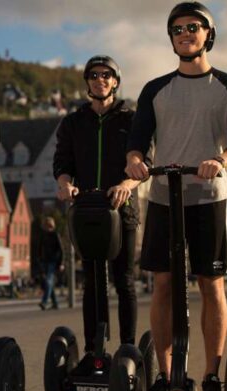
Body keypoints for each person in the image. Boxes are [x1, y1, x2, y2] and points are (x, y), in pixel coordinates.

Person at [125, 2, 227, 391]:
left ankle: (212, 377)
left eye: (193, 27)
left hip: (209, 196)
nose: (185, 33)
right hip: (164, 195)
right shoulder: (155, 89)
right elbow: (137, 143)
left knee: (210, 284)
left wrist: (221, 160)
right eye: (177, 28)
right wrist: (135, 161)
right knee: (162, 283)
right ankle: (165, 378)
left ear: (208, 34)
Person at [53, 55, 140, 374]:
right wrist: (66, 185)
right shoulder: (74, 122)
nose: (99, 79)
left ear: (116, 81)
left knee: (124, 280)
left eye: (106, 75)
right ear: (87, 81)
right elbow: (62, 163)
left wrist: (125, 185)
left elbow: (144, 163)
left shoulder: (131, 119)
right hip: (89, 211)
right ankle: (94, 351)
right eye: (93, 74)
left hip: (122, 210)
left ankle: (128, 348)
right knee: (92, 282)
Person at [37, 216, 63, 310]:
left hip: (53, 262)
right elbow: (39, 248)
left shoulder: (56, 235)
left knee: (48, 281)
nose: (48, 228)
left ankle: (44, 302)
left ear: (53, 226)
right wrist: (39, 259)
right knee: (48, 283)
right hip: (44, 261)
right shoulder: (43, 235)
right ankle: (55, 303)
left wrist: (60, 263)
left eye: (50, 226)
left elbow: (60, 250)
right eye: (47, 226)